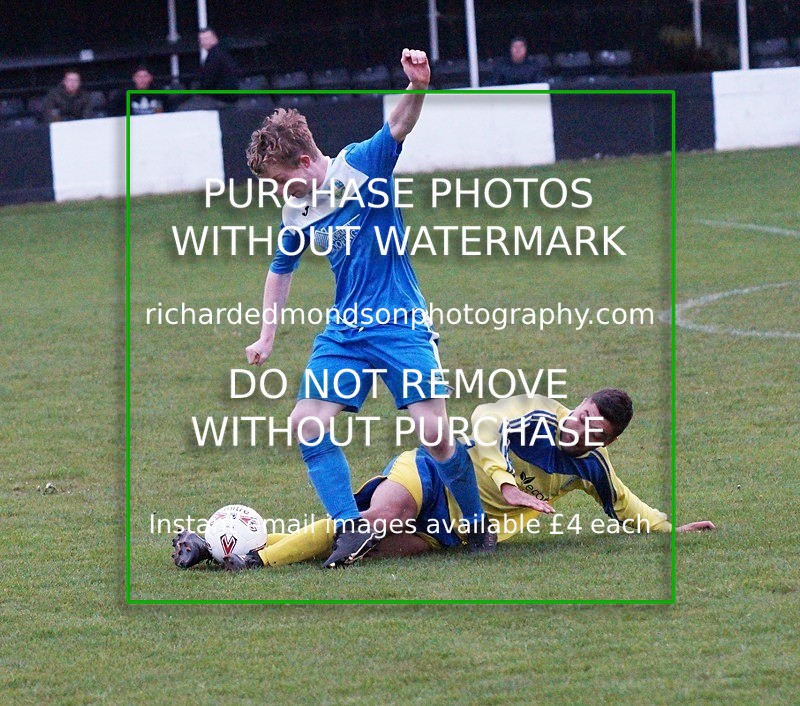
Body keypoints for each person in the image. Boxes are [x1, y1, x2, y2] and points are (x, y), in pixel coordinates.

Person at [242, 47, 492, 569]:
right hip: (347, 330)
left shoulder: (362, 164)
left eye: (280, 180)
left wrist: (417, 85)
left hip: (401, 320)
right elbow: (279, 272)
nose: (278, 192)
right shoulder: (298, 209)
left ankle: (476, 525)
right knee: (306, 423)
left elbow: (399, 123)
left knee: (436, 435)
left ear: (306, 162)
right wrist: (267, 336)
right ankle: (351, 528)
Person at [172, 389, 714, 570]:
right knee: (376, 521)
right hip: (432, 472)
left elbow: (628, 508)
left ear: (606, 439)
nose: (577, 423)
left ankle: (218, 552)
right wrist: (506, 485)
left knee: (364, 546)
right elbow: (483, 426)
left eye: (592, 425)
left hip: (455, 531)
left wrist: (672, 531)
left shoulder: (593, 470)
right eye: (579, 411)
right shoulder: (537, 413)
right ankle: (251, 563)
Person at [196, 27, 239, 100]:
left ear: (215, 38)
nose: (204, 42)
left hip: (221, 98)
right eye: (202, 39)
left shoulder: (215, 56)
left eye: (207, 38)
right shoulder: (221, 52)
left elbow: (208, 80)